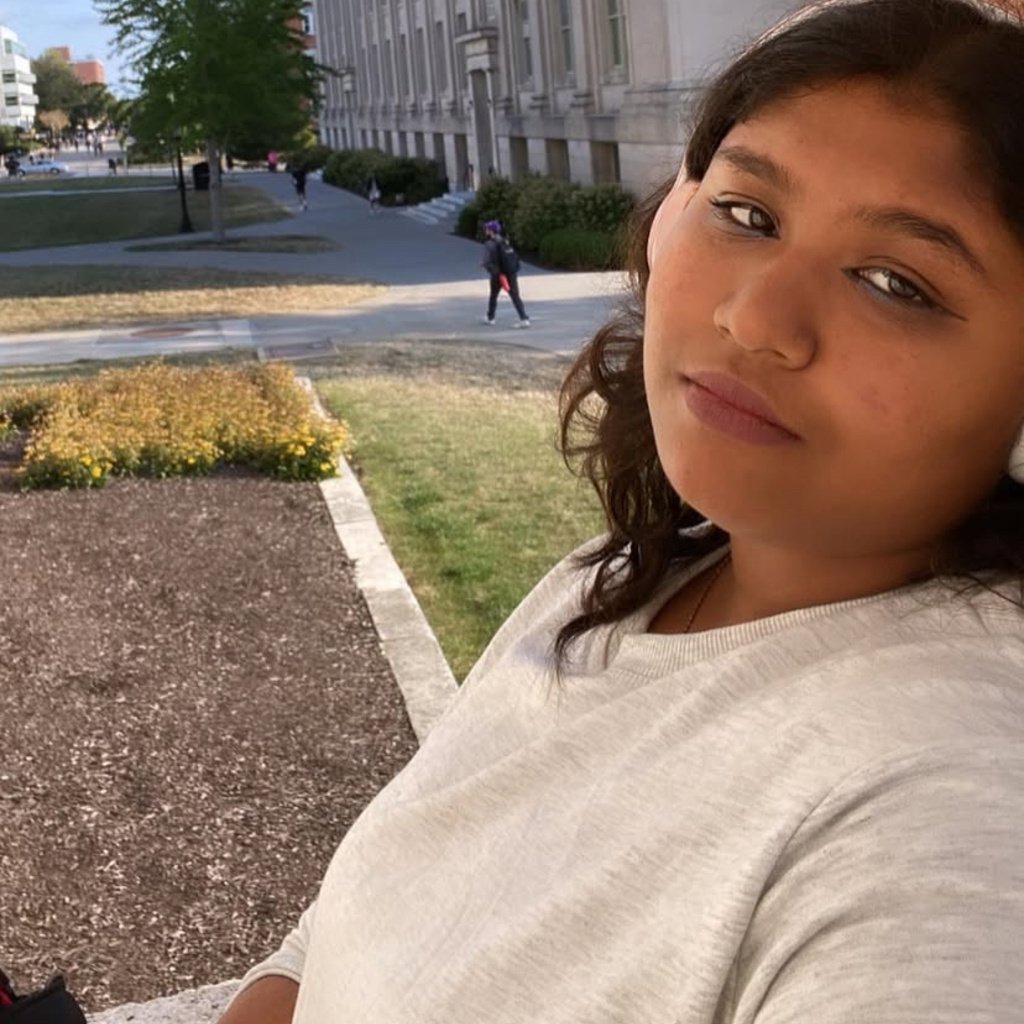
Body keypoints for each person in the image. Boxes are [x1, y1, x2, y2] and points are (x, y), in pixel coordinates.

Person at [217, 2, 1024, 1022]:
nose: (754, 320)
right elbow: (344, 922)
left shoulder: (950, 813)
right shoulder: (619, 577)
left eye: (892, 282)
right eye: (746, 214)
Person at [480, 219, 530, 327]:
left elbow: (486, 261)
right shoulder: (505, 241)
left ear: (490, 231)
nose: (485, 231)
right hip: (511, 272)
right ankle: (524, 318)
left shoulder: (489, 244)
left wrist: (491, 270)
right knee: (515, 295)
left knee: (493, 296)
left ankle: (491, 318)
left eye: (487, 229)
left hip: (498, 274)